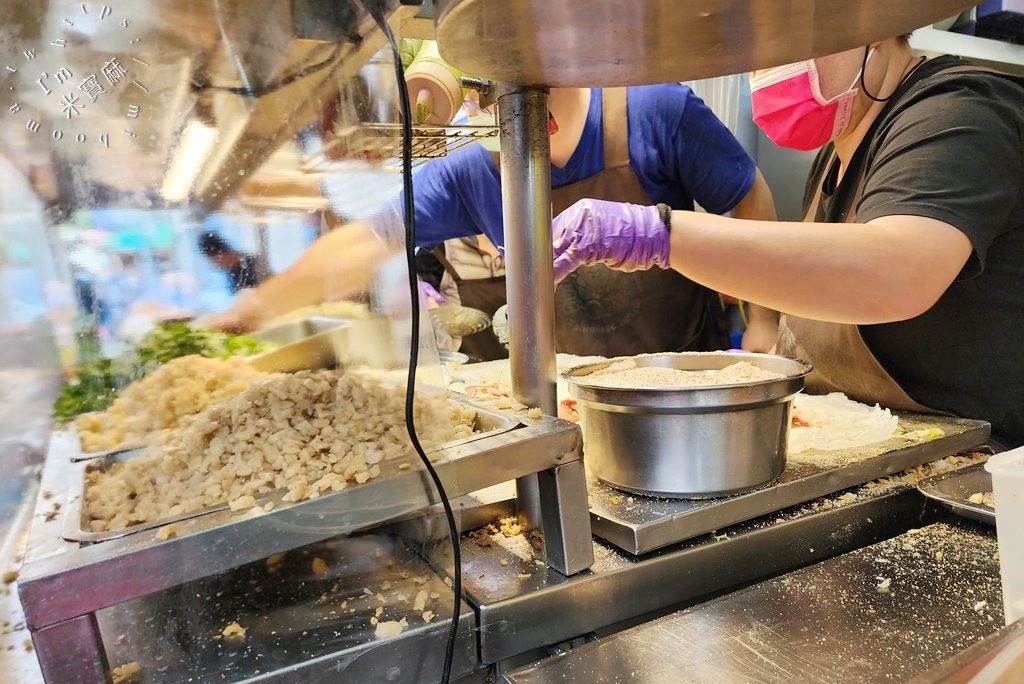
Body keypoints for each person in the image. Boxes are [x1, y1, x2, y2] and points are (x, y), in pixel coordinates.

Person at [547, 36, 1024, 448]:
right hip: (868, 443)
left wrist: (654, 234)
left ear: (873, 27)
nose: (767, 69)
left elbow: (898, 272)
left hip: (969, 465)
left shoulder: (962, 109)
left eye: (790, 44)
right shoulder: (838, 151)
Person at [205, 85, 779, 359]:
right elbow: (365, 239)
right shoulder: (474, 166)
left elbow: (750, 197)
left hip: (684, 375)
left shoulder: (658, 112)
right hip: (570, 395)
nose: (482, 108)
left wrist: (763, 325)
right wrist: (255, 308)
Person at [197, 231, 267, 294]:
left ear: (220, 254)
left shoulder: (255, 266)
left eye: (213, 259)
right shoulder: (232, 272)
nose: (214, 263)